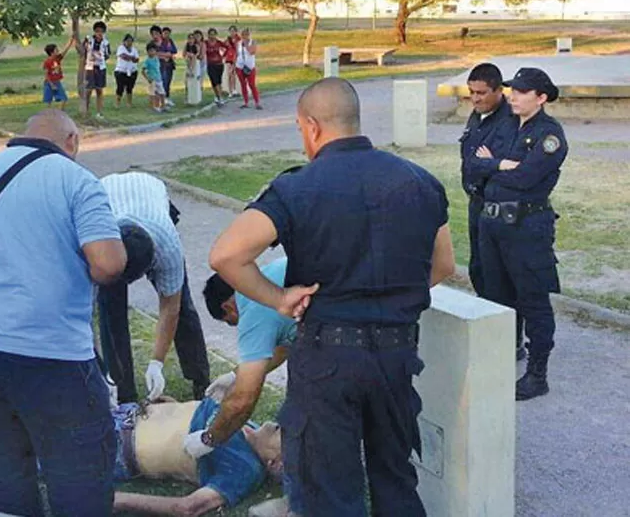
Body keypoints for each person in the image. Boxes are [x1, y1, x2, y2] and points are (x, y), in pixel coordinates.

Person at [208, 77, 455, 516]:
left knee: (330, 491)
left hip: (329, 359)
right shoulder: (421, 182)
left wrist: (279, 299)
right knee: (395, 480)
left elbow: (226, 255)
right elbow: (443, 267)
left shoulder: (296, 188)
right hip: (397, 355)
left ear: (311, 126)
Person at [0, 110, 127, 515]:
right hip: (51, 349)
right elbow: (109, 263)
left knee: (2, 464)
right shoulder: (75, 179)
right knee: (79, 466)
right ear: (72, 140)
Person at [0, 395, 282, 516]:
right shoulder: (245, 420)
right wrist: (173, 404)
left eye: (287, 437)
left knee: (23, 455)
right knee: (31, 423)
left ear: (275, 464)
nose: (282, 427)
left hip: (115, 453)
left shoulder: (243, 470)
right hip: (122, 417)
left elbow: (188, 507)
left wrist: (114, 500)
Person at [473, 68, 567, 401]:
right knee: (496, 298)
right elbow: (474, 163)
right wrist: (501, 164)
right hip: (494, 225)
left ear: (541, 98)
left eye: (522, 91)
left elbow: (527, 178)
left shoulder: (549, 135)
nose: (513, 95)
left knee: (533, 300)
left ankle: (537, 374)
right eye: (513, 89)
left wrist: (495, 164)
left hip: (527, 228)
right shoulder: (506, 126)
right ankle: (498, 363)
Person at [98, 172, 210, 404]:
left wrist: (156, 363)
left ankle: (200, 380)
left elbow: (171, 307)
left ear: (151, 264)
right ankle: (124, 395)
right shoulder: (99, 240)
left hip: (150, 191)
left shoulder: (168, 248)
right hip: (108, 198)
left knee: (184, 307)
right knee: (111, 315)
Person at [187, 257, 296, 461]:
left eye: (232, 323)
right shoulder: (265, 274)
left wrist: (208, 439)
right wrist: (235, 375)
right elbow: (283, 347)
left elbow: (242, 401)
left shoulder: (252, 310)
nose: (238, 326)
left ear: (228, 308)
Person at [459, 62, 526, 361]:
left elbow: (511, 169)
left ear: (499, 91)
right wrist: (486, 163)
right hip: (477, 205)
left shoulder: (511, 122)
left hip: (499, 208)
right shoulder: (477, 117)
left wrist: (488, 163)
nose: (475, 98)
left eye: (482, 93)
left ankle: (510, 342)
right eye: (472, 92)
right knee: (480, 271)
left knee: (502, 276)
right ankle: (490, 332)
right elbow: (472, 161)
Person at [83, 20, 111, 119]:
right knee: (88, 90)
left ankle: (99, 112)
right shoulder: (89, 40)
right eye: (97, 31)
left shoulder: (105, 42)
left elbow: (107, 55)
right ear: (94, 31)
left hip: (100, 67)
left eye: (101, 31)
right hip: (90, 67)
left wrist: (100, 57)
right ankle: (85, 111)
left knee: (99, 90)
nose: (99, 33)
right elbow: (83, 51)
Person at [42, 35, 76, 109]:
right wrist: (51, 85)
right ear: (51, 52)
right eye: (56, 50)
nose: (58, 50)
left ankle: (60, 113)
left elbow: (65, 51)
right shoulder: (47, 62)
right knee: (48, 100)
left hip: (57, 82)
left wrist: (70, 41)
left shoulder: (57, 58)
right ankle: (48, 114)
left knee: (64, 98)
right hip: (49, 83)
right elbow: (46, 74)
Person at [235, 28, 262, 110]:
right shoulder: (238, 43)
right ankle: (245, 102)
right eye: (243, 34)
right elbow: (237, 54)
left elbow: (252, 52)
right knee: (243, 84)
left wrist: (246, 45)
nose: (244, 36)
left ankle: (257, 102)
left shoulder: (252, 42)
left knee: (252, 84)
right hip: (240, 66)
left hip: (250, 67)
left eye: (246, 34)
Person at [115, 33, 140, 108]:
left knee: (130, 88)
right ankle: (117, 103)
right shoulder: (121, 48)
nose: (129, 43)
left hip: (132, 71)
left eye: (131, 41)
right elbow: (123, 56)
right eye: (128, 41)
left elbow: (137, 60)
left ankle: (129, 103)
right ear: (124, 41)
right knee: (120, 88)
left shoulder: (134, 49)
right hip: (121, 71)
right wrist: (132, 57)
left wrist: (131, 58)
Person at [204, 27, 227, 106]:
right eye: (211, 34)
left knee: (218, 81)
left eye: (214, 34)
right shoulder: (205, 43)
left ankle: (220, 97)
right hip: (210, 64)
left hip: (219, 64)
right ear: (208, 35)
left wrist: (224, 55)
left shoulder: (219, 43)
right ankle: (218, 96)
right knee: (213, 82)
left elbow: (227, 48)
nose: (212, 36)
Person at [143, 42, 166, 113]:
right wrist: (148, 78)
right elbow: (143, 71)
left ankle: (163, 106)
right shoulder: (147, 61)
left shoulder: (156, 59)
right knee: (152, 94)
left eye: (153, 50)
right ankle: (153, 107)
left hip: (159, 78)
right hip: (152, 80)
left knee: (162, 93)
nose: (151, 52)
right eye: (150, 51)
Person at [159, 26, 178, 107]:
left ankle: (167, 97)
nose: (167, 35)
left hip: (170, 64)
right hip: (162, 64)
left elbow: (175, 50)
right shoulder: (159, 42)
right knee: (164, 81)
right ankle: (162, 98)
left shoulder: (170, 41)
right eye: (165, 33)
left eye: (168, 33)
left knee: (168, 81)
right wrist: (166, 54)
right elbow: (157, 51)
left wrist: (169, 54)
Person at [184, 32, 202, 106]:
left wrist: (191, 55)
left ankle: (191, 69)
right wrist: (188, 55)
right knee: (187, 83)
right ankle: (187, 98)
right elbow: (184, 54)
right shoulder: (187, 45)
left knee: (193, 57)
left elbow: (197, 54)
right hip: (188, 61)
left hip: (194, 62)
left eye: (192, 38)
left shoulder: (196, 46)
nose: (190, 40)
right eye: (189, 38)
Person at [224, 26, 240, 98]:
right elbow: (223, 46)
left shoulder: (238, 39)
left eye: (233, 31)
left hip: (236, 58)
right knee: (229, 74)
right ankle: (230, 91)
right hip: (228, 58)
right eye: (231, 31)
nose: (232, 32)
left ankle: (234, 89)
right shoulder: (228, 39)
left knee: (233, 74)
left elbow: (238, 50)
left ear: (236, 31)